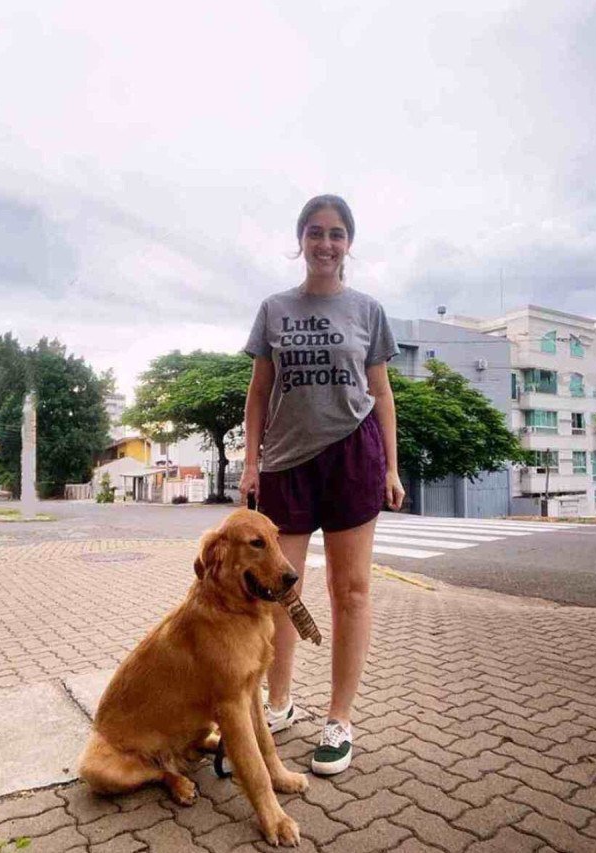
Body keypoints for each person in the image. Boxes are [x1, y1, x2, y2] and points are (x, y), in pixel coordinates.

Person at [240, 194, 405, 775]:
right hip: (286, 462)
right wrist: (251, 463)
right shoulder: (274, 308)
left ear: (348, 243)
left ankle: (339, 718)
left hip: (352, 456)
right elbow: (259, 392)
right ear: (301, 240)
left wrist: (390, 466)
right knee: (278, 590)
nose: (326, 244)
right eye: (315, 233)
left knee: (351, 590)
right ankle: (278, 704)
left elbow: (381, 392)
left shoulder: (368, 311)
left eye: (336, 234)